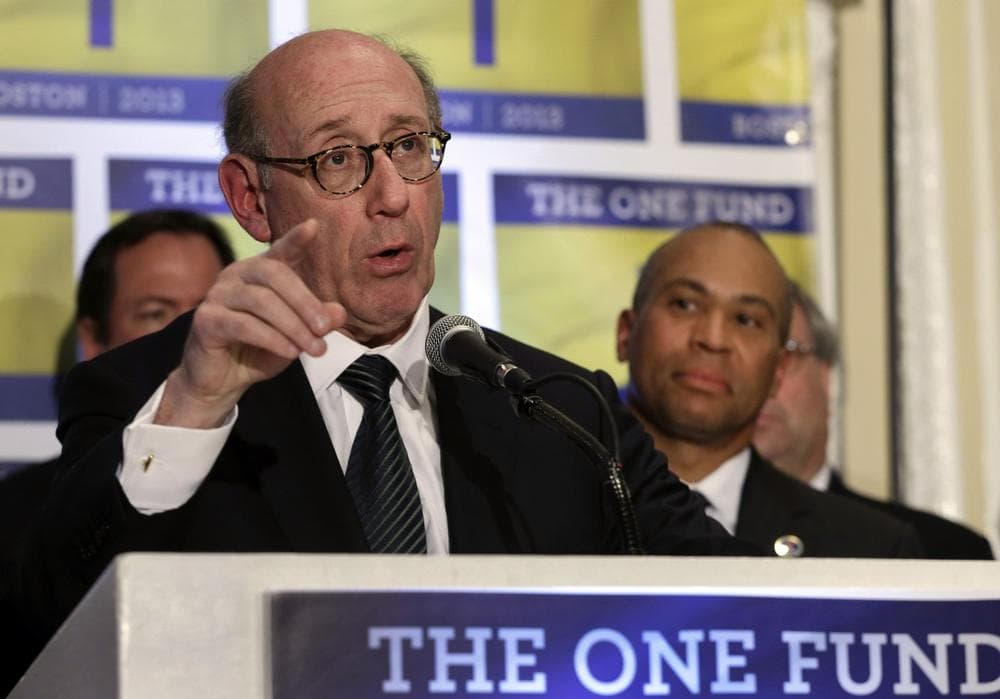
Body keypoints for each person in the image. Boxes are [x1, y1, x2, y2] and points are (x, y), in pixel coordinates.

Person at [10, 30, 752, 651]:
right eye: (337, 158)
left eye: (408, 146)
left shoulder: (562, 408)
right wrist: (195, 407)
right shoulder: (156, 396)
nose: (392, 193)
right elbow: (49, 624)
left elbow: (746, 611)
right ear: (250, 197)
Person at [0, 208, 235, 699]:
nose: (193, 336)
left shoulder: (279, 477)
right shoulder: (18, 518)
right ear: (94, 338)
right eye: (156, 313)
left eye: (209, 310)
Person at [615, 221, 923, 558]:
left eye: (746, 320)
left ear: (778, 371)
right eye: (685, 304)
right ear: (626, 334)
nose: (713, 339)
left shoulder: (871, 549)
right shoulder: (552, 503)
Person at [753, 281, 993, 559]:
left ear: (826, 378)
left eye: (785, 356)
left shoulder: (942, 552)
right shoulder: (695, 533)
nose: (763, 383)